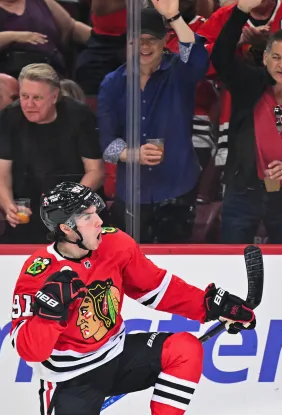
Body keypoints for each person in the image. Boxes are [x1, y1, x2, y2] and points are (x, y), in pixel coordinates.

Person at [0, 181, 257, 415]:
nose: (99, 220)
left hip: (115, 354)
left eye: (95, 212)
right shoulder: (37, 273)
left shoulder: (114, 245)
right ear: (65, 229)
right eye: (87, 217)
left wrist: (210, 305)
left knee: (185, 348)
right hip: (69, 378)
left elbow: (155, 288)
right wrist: (48, 314)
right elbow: (29, 350)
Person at [210, 0, 282, 244]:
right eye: (275, 57)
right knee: (232, 266)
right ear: (264, 58)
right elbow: (220, 56)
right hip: (242, 194)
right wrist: (241, 12)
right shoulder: (247, 87)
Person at [97, 3, 210, 244]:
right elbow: (107, 145)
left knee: (176, 264)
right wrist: (133, 154)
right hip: (132, 195)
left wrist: (174, 16)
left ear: (165, 41)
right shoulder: (112, 83)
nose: (144, 46)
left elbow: (199, 57)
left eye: (152, 40)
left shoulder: (179, 72)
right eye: (138, 39)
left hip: (177, 188)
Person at [0, 63, 104, 244]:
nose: (28, 104)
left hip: (74, 210)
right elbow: (1, 174)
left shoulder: (79, 115)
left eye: (37, 98)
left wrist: (71, 203)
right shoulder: (9, 117)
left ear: (54, 97)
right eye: (24, 96)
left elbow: (96, 172)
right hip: (28, 209)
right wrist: (8, 205)